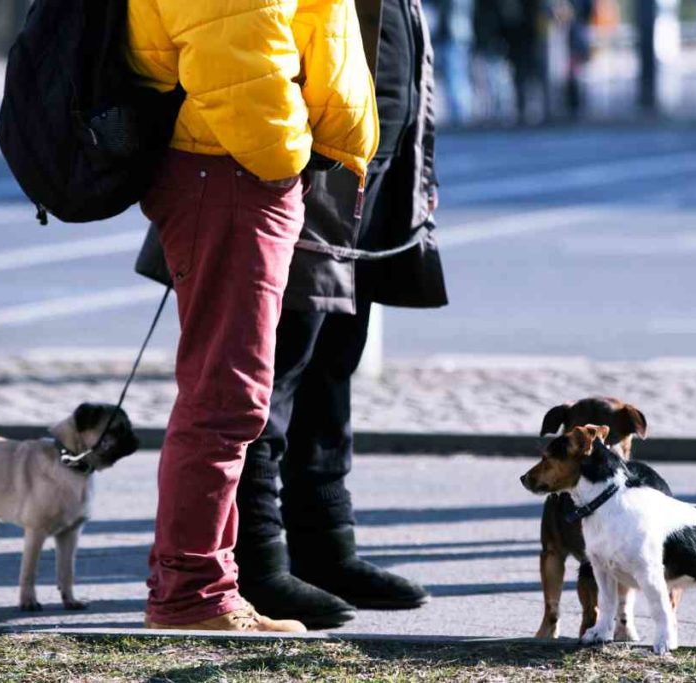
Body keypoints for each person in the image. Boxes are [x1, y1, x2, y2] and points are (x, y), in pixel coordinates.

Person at [127, 0, 379, 632]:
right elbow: (235, 56)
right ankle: (191, 596)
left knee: (229, 393)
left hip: (235, 168)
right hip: (234, 170)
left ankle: (209, 586)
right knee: (226, 395)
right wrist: (284, 160)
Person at [233, 0, 449, 628]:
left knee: (334, 356)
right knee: (278, 363)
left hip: (368, 133)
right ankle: (259, 560)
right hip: (308, 137)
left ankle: (325, 546)